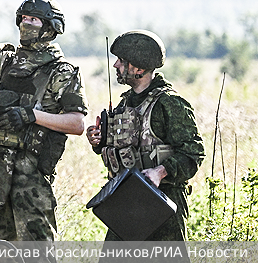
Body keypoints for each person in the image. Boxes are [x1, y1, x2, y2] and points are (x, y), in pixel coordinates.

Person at [0, 0, 88, 241]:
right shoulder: (9, 60)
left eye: (33, 19)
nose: (26, 23)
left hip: (32, 174)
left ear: (50, 27)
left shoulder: (61, 71)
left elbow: (77, 123)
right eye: (23, 18)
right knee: (6, 250)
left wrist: (31, 115)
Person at [86, 29, 205, 242]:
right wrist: (99, 141)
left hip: (162, 205)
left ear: (139, 68)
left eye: (121, 61)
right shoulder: (125, 103)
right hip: (125, 202)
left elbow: (194, 153)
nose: (115, 66)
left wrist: (160, 172)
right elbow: (125, 149)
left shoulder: (169, 104)